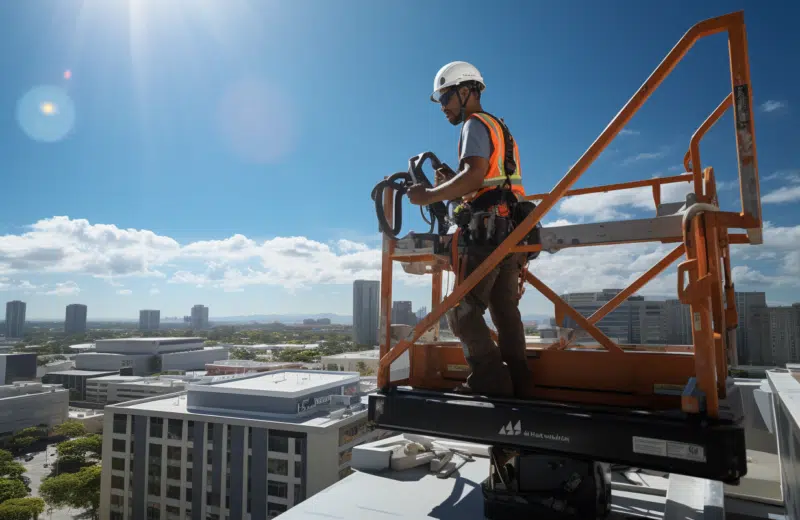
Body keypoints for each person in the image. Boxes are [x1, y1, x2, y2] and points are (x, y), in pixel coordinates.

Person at [407, 61, 532, 399]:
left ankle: (491, 380)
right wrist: (455, 183)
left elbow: (476, 176)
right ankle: (518, 381)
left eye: (446, 98)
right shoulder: (499, 127)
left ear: (465, 92)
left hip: (485, 232)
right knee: (503, 309)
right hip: (509, 229)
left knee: (461, 314)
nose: (444, 107)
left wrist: (427, 196)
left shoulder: (473, 124)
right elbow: (487, 182)